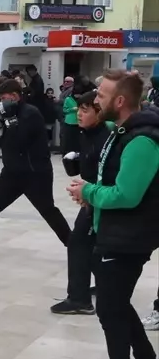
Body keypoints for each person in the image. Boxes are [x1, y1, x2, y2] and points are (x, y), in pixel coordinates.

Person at [65, 70, 159, 359]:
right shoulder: (123, 131)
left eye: (101, 95)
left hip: (129, 236)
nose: (94, 100)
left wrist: (90, 191)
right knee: (116, 301)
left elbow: (128, 194)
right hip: (114, 230)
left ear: (120, 101)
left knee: (109, 307)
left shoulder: (142, 140)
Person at [0, 79, 71, 254]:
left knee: (47, 210)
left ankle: (72, 243)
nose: (1, 102)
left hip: (34, 172)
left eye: (4, 98)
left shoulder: (31, 113)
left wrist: (10, 121)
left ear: (14, 96)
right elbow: (4, 143)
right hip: (12, 172)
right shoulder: (5, 112)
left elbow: (21, 141)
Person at [51, 90, 111, 315]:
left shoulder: (104, 136)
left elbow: (108, 174)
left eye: (85, 111)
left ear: (99, 112)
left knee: (79, 244)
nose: (79, 115)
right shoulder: (87, 134)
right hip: (92, 197)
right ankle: (88, 291)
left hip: (99, 200)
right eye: (79, 110)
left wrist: (88, 193)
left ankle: (79, 299)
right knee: (89, 246)